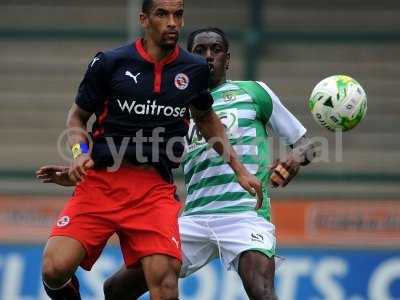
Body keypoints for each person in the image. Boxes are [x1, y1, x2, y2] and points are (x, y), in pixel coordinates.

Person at [38, 27, 314, 300]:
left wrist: (293, 159)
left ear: (227, 59)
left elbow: (308, 145)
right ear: (189, 58)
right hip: (193, 217)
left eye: (216, 50)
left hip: (244, 214)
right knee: (116, 289)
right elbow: (131, 148)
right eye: (200, 51)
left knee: (262, 292)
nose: (208, 56)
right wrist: (84, 163)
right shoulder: (175, 101)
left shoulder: (255, 93)